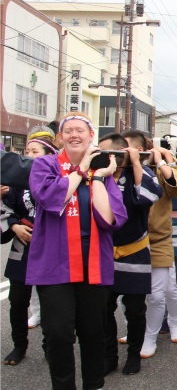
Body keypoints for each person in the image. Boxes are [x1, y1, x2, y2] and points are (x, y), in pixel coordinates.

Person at [26, 112, 127, 390]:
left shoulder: (103, 171)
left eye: (80, 130)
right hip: (54, 262)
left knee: (93, 333)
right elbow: (49, 197)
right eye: (68, 130)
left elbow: (109, 220)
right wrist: (81, 169)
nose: (74, 135)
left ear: (91, 136)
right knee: (58, 334)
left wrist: (96, 178)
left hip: (93, 260)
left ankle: (93, 385)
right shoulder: (45, 165)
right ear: (59, 137)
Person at [100, 132, 162, 376]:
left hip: (134, 251)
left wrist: (136, 162)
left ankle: (134, 355)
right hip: (104, 252)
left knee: (135, 309)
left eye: (107, 153)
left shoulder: (136, 172)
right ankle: (109, 356)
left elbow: (149, 196)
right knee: (104, 308)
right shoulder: (98, 176)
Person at [1, 135, 58, 366]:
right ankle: (19, 345)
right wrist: (14, 225)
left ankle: (49, 346)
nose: (30, 155)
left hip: (50, 248)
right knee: (17, 301)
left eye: (36, 152)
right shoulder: (16, 183)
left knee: (52, 302)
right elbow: (7, 208)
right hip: (22, 246)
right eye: (28, 151)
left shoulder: (57, 178)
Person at [140, 145, 177, 358]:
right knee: (127, 293)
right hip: (129, 239)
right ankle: (138, 330)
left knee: (163, 292)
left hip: (159, 238)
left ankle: (170, 325)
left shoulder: (159, 169)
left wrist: (164, 158)